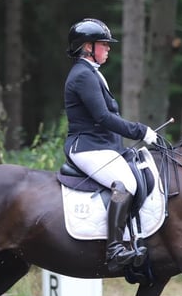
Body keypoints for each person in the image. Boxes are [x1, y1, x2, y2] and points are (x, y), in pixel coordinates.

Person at [63, 18, 157, 272]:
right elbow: (103, 118)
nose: (108, 48)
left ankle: (134, 238)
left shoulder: (92, 73)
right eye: (103, 44)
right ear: (87, 47)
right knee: (125, 184)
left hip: (102, 146)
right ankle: (115, 249)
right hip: (86, 147)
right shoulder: (83, 76)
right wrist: (141, 130)